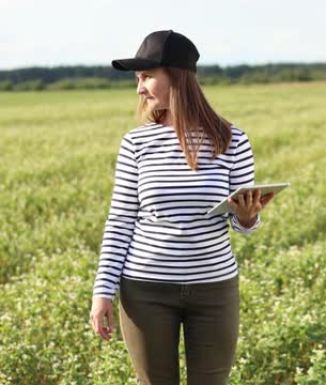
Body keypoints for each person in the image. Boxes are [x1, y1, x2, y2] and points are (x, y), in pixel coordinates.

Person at [88, 29, 274, 385]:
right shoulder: (136, 143)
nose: (139, 88)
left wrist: (248, 218)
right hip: (145, 289)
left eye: (146, 77)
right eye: (138, 79)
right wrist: (102, 292)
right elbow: (120, 220)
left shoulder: (232, 140)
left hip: (214, 288)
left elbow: (243, 221)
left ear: (176, 76)